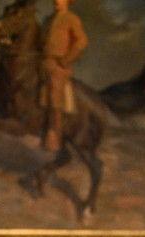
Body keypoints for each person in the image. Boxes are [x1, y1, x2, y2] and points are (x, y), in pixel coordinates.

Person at [41, 0, 88, 150]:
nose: (56, 1)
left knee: (55, 97)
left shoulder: (71, 18)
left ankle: (55, 135)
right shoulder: (47, 20)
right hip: (43, 63)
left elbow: (82, 40)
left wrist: (67, 59)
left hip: (59, 66)